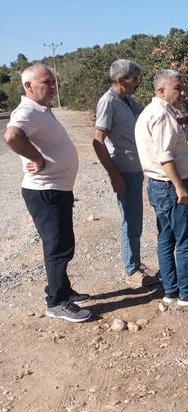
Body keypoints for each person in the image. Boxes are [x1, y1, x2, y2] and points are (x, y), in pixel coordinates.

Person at [3, 63, 91, 322]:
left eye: (53, 82)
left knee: (61, 243)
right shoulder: (27, 110)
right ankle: (57, 302)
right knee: (58, 246)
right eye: (46, 82)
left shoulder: (40, 108)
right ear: (28, 86)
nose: (53, 86)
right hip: (45, 191)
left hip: (56, 189)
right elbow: (11, 136)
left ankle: (62, 289)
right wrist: (36, 158)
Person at [134, 70, 188, 307]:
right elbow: (165, 156)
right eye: (177, 88)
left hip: (159, 185)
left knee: (167, 238)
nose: (183, 92)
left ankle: (171, 290)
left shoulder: (157, 111)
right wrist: (181, 187)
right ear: (161, 91)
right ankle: (187, 292)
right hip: (171, 185)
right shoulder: (162, 115)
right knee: (186, 239)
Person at [93, 59, 157, 288]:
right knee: (130, 220)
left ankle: (135, 263)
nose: (138, 83)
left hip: (136, 168)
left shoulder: (128, 100)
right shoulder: (108, 102)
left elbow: (147, 118)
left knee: (136, 218)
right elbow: (98, 141)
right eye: (135, 79)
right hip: (124, 169)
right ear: (121, 80)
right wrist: (114, 175)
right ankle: (131, 270)